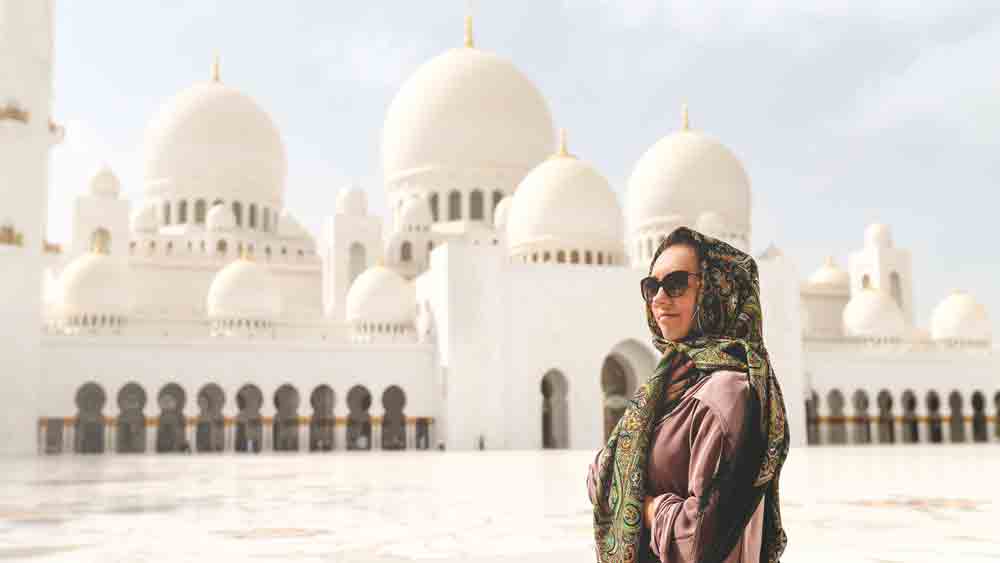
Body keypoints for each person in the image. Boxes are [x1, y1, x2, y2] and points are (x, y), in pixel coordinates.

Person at [587, 227, 790, 563]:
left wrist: (642, 503)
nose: (659, 299)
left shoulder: (726, 394)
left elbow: (697, 539)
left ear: (718, 290)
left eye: (676, 284)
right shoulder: (666, 387)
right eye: (651, 287)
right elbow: (599, 475)